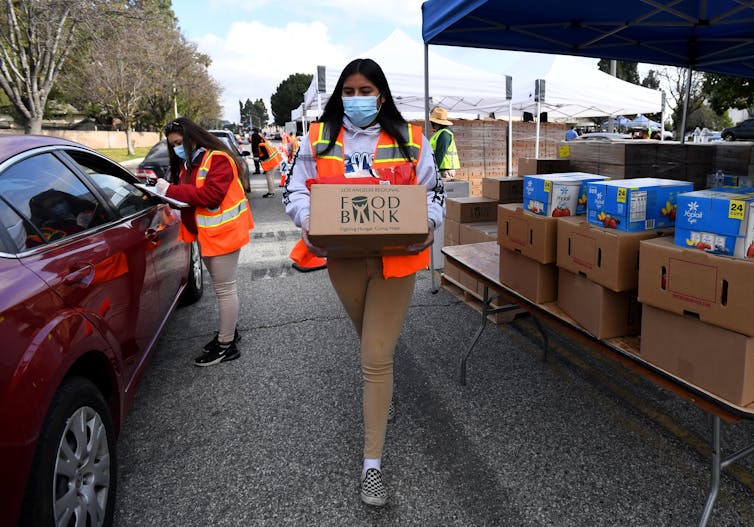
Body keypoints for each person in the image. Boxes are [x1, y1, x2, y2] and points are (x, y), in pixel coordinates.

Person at [283, 58, 446, 507]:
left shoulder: (412, 139)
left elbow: (433, 192)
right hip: (345, 261)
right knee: (369, 343)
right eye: (349, 91)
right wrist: (308, 220)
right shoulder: (318, 138)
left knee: (375, 355)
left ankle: (371, 464)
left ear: (382, 94)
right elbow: (294, 191)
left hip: (397, 261)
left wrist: (429, 223)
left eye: (366, 90)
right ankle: (383, 395)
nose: (357, 98)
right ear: (340, 95)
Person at [153, 117, 254, 366]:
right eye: (173, 144)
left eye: (179, 142)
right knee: (222, 288)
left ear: (192, 138)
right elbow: (193, 197)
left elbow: (211, 195)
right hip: (209, 235)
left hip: (224, 234)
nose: (176, 147)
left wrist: (170, 190)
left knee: (225, 289)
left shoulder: (217, 158)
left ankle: (226, 345)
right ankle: (228, 333)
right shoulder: (191, 162)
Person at [429, 106, 460, 180]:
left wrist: (433, 171)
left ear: (434, 122)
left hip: (444, 171)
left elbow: (440, 154)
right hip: (442, 170)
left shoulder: (444, 134)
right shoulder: (440, 133)